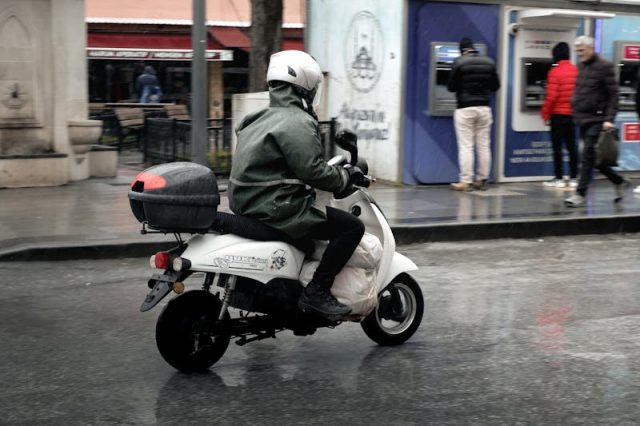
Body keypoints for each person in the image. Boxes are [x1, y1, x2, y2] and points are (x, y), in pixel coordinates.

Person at [228, 50, 366, 320]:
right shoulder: (298, 121)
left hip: (247, 201)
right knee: (351, 227)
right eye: (313, 88)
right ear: (303, 86)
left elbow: (276, 162)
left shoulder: (256, 118)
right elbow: (312, 170)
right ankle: (317, 291)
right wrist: (344, 178)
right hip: (278, 208)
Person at [565, 36, 631, 207]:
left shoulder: (605, 66)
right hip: (582, 118)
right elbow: (580, 90)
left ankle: (580, 194)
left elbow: (613, 95)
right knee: (595, 159)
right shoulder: (580, 66)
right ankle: (618, 181)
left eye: (582, 50)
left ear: (591, 48)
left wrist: (609, 119)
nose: (579, 54)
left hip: (598, 119)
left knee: (587, 155)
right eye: (577, 50)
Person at [447, 37, 500, 191]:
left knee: (466, 146)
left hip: (465, 108)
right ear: (474, 48)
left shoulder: (459, 62)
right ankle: (482, 179)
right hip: (484, 108)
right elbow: (496, 86)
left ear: (462, 49)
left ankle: (466, 181)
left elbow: (450, 86)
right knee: (483, 146)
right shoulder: (489, 62)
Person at [541, 42, 579, 188]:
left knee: (557, 147)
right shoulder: (576, 70)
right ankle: (574, 177)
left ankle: (559, 178)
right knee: (572, 147)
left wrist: (545, 114)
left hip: (557, 115)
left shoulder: (554, 72)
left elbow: (551, 97)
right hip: (572, 115)